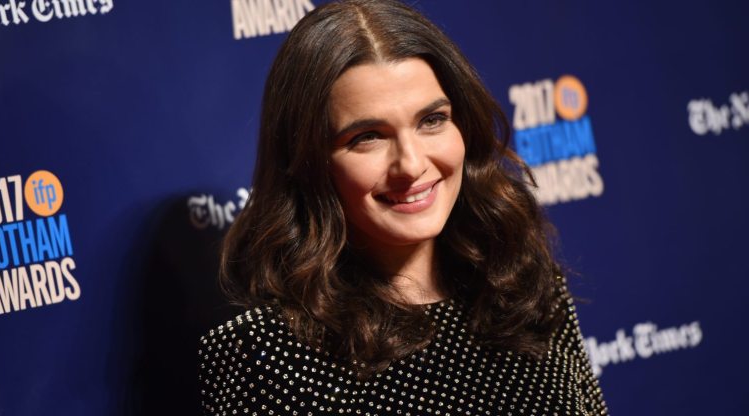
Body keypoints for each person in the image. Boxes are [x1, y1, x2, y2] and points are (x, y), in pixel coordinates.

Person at [199, 0, 608, 414]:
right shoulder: (264, 355)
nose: (411, 165)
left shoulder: (526, 289)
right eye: (367, 137)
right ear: (307, 162)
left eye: (432, 120)